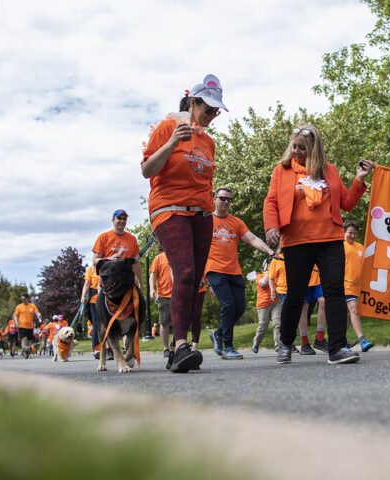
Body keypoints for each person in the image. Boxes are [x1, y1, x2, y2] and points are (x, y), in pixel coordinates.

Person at [264, 125, 375, 365]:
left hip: (330, 240)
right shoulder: (281, 171)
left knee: (334, 291)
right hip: (296, 241)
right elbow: (271, 202)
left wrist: (359, 179)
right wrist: (271, 227)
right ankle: (285, 343)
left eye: (302, 148)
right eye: (294, 146)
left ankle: (336, 348)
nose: (296, 151)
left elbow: (345, 203)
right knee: (295, 295)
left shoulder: (330, 171)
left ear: (315, 148)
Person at [141, 74, 227, 373]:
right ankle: (177, 347)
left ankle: (187, 345)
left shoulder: (208, 142)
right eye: (208, 110)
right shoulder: (167, 127)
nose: (213, 116)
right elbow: (147, 169)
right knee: (185, 271)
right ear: (193, 103)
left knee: (196, 281)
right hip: (169, 208)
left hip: (200, 215)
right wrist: (171, 143)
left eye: (216, 112)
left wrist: (209, 211)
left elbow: (205, 183)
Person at [206, 187, 275, 360]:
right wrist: (203, 279)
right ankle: (228, 346)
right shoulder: (206, 221)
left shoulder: (236, 222)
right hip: (214, 271)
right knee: (228, 305)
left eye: (229, 199)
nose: (226, 202)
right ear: (214, 199)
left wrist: (270, 251)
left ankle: (218, 334)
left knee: (239, 307)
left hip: (233, 271)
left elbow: (252, 238)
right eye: (222, 198)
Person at [342, 219, 374, 352]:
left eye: (355, 233)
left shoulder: (360, 247)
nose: (352, 236)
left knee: (349, 316)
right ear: (344, 232)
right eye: (350, 232)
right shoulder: (340, 246)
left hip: (357, 287)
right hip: (345, 285)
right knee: (354, 310)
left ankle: (340, 342)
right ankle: (362, 340)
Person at [92, 209, 142, 286]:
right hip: (108, 283)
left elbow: (136, 263)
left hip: (126, 282)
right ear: (113, 220)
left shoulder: (132, 239)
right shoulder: (103, 237)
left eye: (124, 219)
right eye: (119, 218)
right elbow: (95, 261)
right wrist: (110, 259)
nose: (122, 221)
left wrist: (140, 284)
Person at [251, 257, 281, 353]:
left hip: (275, 303)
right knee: (263, 326)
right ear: (264, 266)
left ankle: (278, 345)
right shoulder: (259, 276)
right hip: (263, 305)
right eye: (268, 263)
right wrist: (270, 271)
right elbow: (263, 283)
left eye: (271, 264)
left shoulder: (275, 276)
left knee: (277, 324)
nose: (270, 265)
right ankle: (256, 342)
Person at [149, 250, 174, 361]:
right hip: (164, 295)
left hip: (179, 294)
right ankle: (165, 348)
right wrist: (152, 289)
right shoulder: (159, 258)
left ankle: (176, 345)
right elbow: (153, 275)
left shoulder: (179, 255)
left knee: (181, 321)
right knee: (164, 322)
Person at [80, 264, 101, 357]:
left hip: (105, 299)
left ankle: (109, 348)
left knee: (107, 323)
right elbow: (86, 284)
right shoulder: (90, 270)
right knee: (96, 323)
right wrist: (83, 296)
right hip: (94, 300)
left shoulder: (106, 267)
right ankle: (96, 349)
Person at [13, 293, 41, 359]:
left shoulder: (32, 306)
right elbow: (15, 315)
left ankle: (27, 351)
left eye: (24, 299)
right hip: (21, 326)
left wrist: (38, 315)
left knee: (28, 340)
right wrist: (16, 321)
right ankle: (25, 352)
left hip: (30, 326)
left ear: (28, 299)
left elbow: (37, 312)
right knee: (24, 339)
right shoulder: (19, 306)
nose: (22, 300)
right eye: (21, 299)